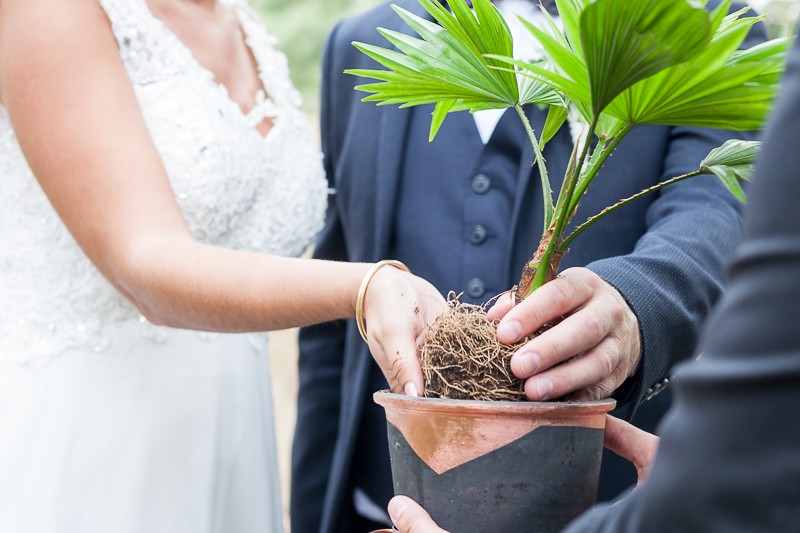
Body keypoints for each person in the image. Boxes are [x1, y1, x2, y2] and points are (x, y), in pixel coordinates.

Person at [291, 1, 764, 532]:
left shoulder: (703, 25)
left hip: (604, 511)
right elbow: (328, 340)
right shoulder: (369, 37)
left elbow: (718, 222)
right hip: (380, 507)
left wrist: (632, 308)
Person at [0, 1, 446, 532]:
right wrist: (366, 284)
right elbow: (143, 262)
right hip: (95, 439)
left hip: (234, 437)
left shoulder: (242, 21)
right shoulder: (49, 11)